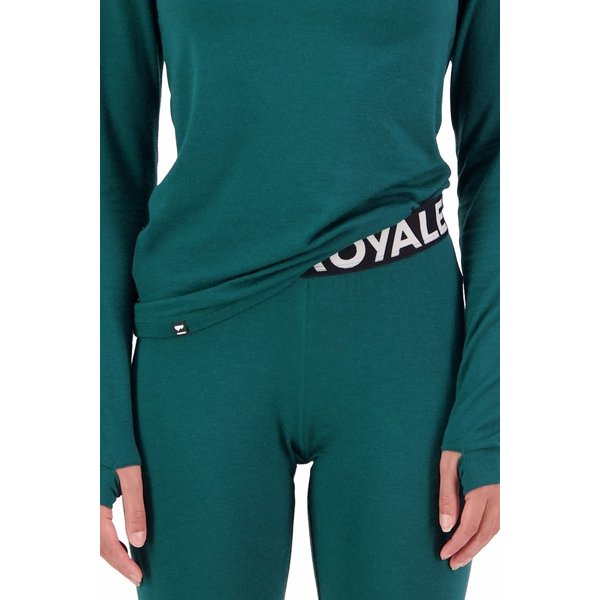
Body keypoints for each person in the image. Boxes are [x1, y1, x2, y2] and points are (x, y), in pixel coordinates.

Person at [100, 0, 500, 598]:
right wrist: (97, 415)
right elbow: (106, 162)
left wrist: (494, 408)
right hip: (201, 353)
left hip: (402, 353)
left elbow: (501, 158)